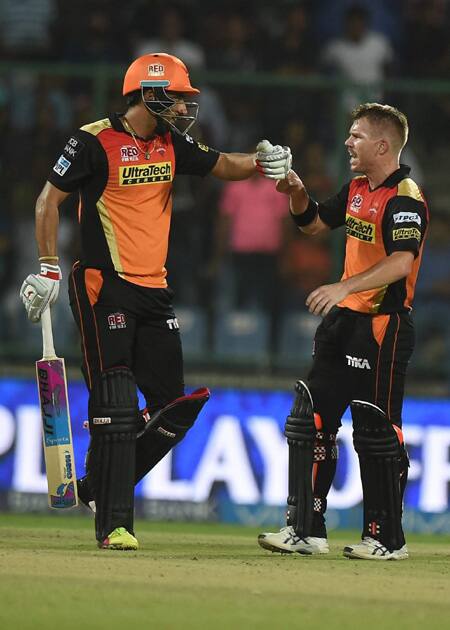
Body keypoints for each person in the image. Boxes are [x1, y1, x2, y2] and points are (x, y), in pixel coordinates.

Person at [19, 52, 291, 551]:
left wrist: (261, 162)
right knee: (117, 401)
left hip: (154, 291)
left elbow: (222, 163)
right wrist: (48, 268)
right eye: (180, 98)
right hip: (105, 287)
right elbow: (47, 201)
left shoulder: (170, 144)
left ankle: (99, 484)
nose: (187, 108)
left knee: (175, 408)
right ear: (151, 94)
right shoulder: (92, 140)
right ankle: (116, 523)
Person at [258, 103, 429, 561]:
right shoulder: (357, 189)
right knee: (309, 419)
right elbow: (312, 223)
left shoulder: (405, 197)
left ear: (382, 145)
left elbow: (402, 262)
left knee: (376, 432)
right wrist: (295, 190)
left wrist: (343, 285)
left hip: (382, 326)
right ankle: (306, 529)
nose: (348, 143)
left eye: (356, 136)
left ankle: (387, 538)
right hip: (343, 323)